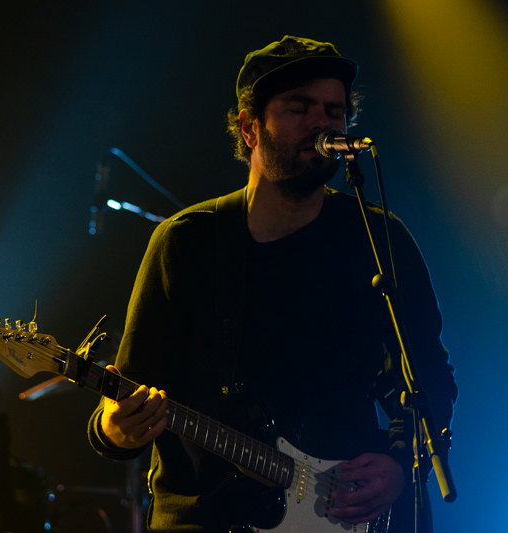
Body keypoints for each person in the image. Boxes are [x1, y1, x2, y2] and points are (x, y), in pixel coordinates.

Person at [87, 36, 457, 532]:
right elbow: (127, 395)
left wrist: (399, 461)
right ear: (249, 127)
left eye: (334, 111)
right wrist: (114, 429)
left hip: (345, 516)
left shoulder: (377, 238)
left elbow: (429, 372)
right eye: (299, 108)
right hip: (209, 517)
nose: (322, 123)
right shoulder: (187, 242)